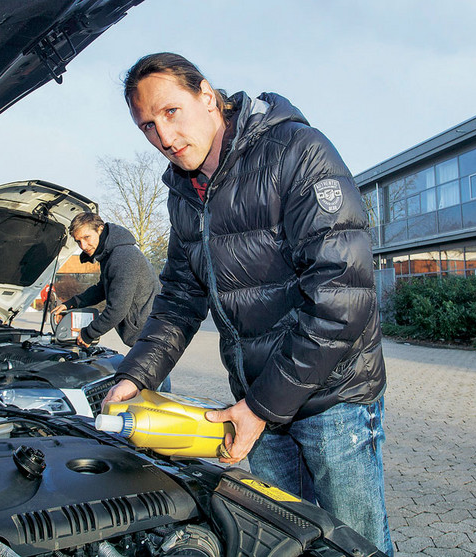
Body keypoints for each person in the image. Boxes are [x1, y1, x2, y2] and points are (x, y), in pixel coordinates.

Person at [103, 52, 392, 556]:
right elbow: (178, 299)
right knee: (284, 543)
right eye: (147, 125)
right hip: (259, 404)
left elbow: (342, 296)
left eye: (171, 112)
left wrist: (259, 408)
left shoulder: (297, 152)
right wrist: (136, 375)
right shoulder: (183, 193)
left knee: (354, 548)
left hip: (333, 400)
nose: (164, 138)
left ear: (207, 95)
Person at [52, 212, 161, 350]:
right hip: (147, 333)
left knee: (137, 372)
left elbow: (117, 309)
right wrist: (71, 304)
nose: (83, 246)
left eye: (86, 237)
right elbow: (103, 288)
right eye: (78, 241)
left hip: (150, 335)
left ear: (100, 229)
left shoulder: (122, 256)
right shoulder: (111, 254)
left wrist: (88, 333)